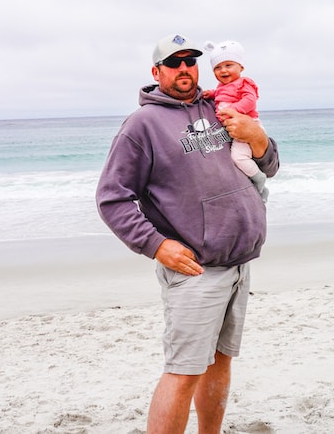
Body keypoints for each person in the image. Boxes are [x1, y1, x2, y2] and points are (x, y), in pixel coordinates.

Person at [96, 33, 280, 434]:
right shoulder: (142, 125)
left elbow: (269, 165)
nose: (184, 69)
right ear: (156, 71)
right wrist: (156, 245)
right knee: (183, 373)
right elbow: (112, 198)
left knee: (220, 362)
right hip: (195, 271)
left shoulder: (220, 105)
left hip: (238, 263)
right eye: (174, 63)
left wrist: (259, 137)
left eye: (190, 61)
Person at [203, 39, 269, 201]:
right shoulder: (221, 86)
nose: (223, 70)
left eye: (228, 65)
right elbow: (221, 95)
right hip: (233, 128)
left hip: (247, 125)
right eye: (217, 67)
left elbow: (250, 100)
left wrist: (235, 111)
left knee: (238, 158)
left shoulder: (244, 83)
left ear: (241, 67)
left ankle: (259, 179)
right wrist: (210, 94)